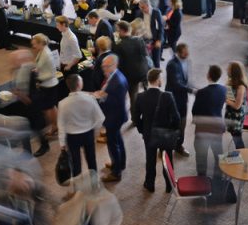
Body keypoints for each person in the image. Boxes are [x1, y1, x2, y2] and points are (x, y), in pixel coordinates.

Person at [133, 68, 180, 192]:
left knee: (150, 159)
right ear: (158, 80)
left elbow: (136, 118)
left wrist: (142, 130)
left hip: (149, 133)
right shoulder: (167, 96)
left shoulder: (141, 97)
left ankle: (150, 184)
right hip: (165, 134)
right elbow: (176, 118)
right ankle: (169, 185)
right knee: (167, 159)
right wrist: (173, 130)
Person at [58, 74, 105, 177]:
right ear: (79, 84)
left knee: (76, 163)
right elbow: (100, 118)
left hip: (72, 137)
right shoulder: (90, 99)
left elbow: (61, 125)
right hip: (88, 134)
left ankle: (78, 188)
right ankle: (94, 183)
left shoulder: (62, 104)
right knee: (91, 160)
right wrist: (95, 132)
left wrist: (62, 143)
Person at [94, 55, 128, 183]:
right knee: (118, 140)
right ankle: (120, 163)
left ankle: (116, 172)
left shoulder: (116, 82)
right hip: (117, 116)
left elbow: (107, 100)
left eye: (106, 66)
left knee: (112, 144)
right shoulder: (117, 75)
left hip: (113, 117)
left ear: (114, 65)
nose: (103, 69)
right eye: (103, 66)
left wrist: (96, 97)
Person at [192, 65, 227, 181]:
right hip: (217, 126)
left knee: (201, 155)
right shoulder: (224, 89)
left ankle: (201, 179)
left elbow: (194, 110)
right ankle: (218, 177)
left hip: (203, 128)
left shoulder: (201, 92)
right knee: (218, 153)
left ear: (208, 76)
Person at [112, 20, 148, 118]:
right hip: (139, 73)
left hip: (125, 75)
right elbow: (145, 55)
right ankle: (135, 118)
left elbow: (116, 61)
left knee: (121, 96)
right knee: (134, 96)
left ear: (122, 31)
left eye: (118, 30)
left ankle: (122, 116)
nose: (117, 32)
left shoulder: (118, 45)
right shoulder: (139, 40)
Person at [166, 43, 195, 157]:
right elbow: (176, 84)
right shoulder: (171, 65)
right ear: (178, 52)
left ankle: (179, 145)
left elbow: (187, 80)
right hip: (173, 98)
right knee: (172, 123)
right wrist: (191, 90)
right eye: (185, 52)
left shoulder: (187, 61)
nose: (187, 54)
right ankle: (165, 145)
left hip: (183, 98)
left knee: (182, 123)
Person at [31, 33, 59, 149]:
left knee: (49, 108)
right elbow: (40, 65)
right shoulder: (43, 51)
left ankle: (54, 126)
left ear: (40, 43)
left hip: (49, 85)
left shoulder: (46, 54)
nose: (33, 46)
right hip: (46, 84)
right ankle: (55, 125)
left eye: (34, 43)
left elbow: (52, 73)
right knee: (50, 107)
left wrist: (38, 78)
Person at [224, 62, 248, 150]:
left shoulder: (241, 87)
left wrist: (225, 99)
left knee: (238, 140)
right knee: (235, 137)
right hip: (230, 114)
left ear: (234, 72)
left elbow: (237, 106)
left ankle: (243, 156)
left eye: (229, 69)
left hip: (236, 117)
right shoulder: (230, 82)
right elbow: (230, 98)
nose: (227, 70)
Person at [137, 0, 164, 69]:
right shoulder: (139, 13)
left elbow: (161, 28)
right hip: (144, 41)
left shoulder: (156, 12)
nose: (141, 9)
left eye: (143, 7)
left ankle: (158, 77)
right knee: (147, 61)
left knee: (156, 62)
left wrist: (159, 40)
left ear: (148, 5)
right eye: (140, 7)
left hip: (155, 41)